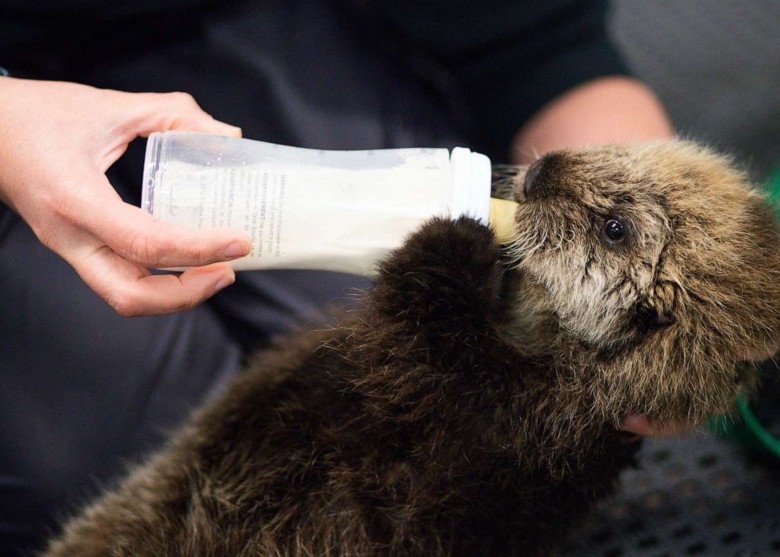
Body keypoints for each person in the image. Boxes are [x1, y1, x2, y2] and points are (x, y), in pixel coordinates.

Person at [0, 1, 674, 554]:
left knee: (415, 402)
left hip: (228, 25)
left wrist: (666, 253)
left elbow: (538, 47)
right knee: (121, 472)